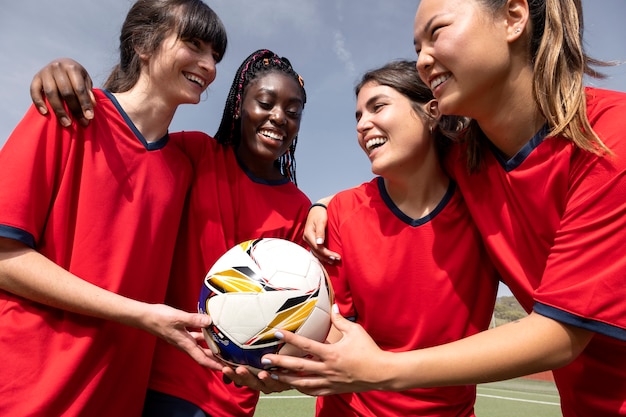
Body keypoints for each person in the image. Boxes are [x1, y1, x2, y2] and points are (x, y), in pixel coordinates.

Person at [257, 1, 626, 416]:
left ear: (514, 17)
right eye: (417, 47)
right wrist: (324, 206)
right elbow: (403, 174)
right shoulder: (470, 157)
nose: (423, 60)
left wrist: (381, 369)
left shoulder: (610, 139)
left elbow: (561, 334)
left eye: (437, 33)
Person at [29, 49, 311, 417]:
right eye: (266, 103)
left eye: (293, 112)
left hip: (229, 394)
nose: (278, 117)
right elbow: (127, 143)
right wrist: (65, 72)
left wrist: (281, 367)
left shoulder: (299, 208)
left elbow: (299, 307)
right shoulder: (193, 152)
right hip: (152, 371)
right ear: (240, 105)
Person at [0, 0, 228, 416]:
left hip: (116, 398)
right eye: (194, 44)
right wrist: (142, 315)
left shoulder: (182, 167)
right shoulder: (66, 114)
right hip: (26, 393)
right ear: (143, 43)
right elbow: (4, 257)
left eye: (215, 54)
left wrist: (322, 208)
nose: (208, 64)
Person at [317, 60, 499, 416]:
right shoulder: (341, 211)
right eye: (357, 116)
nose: (362, 124)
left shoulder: (483, 202)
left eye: (378, 106)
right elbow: (337, 325)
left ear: (432, 111)